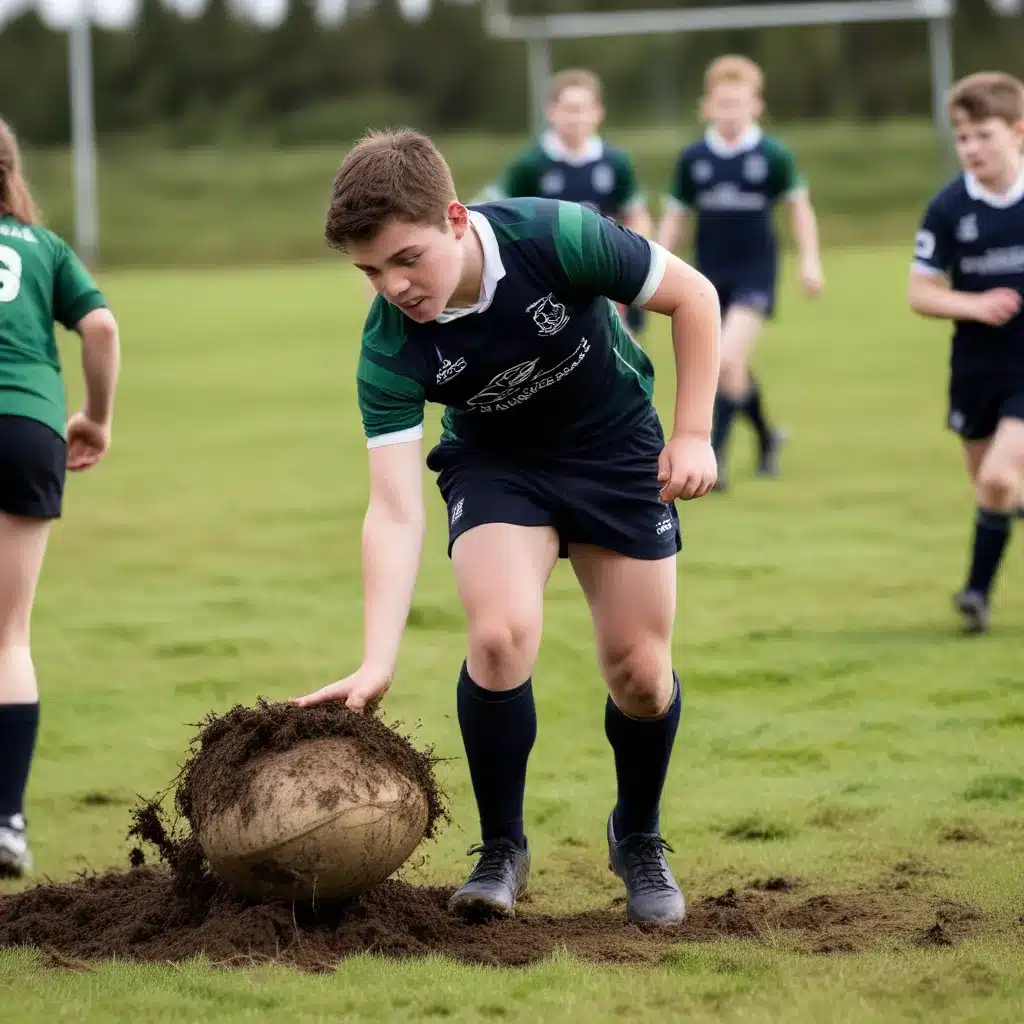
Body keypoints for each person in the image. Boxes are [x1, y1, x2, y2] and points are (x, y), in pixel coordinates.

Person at [296, 129, 720, 925]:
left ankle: (637, 835)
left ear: (455, 219)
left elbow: (693, 296)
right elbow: (392, 507)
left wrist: (692, 433)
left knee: (640, 675)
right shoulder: (390, 346)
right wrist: (375, 659)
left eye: (406, 259)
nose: (392, 287)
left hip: (615, 450)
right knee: (499, 636)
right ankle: (500, 850)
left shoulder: (558, 235)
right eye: (370, 272)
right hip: (497, 465)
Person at [0, 119, 120, 877]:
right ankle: (6, 822)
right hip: (26, 428)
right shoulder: (41, 248)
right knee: (8, 635)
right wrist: (96, 418)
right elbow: (100, 326)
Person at [657, 55, 824, 490]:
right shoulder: (694, 158)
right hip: (706, 278)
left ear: (756, 105)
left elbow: (798, 208)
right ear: (707, 107)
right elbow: (675, 217)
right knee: (732, 369)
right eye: (723, 103)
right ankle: (768, 437)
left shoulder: (772, 154)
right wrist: (653, 261)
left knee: (725, 360)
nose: (731, 112)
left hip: (756, 275)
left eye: (739, 103)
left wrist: (810, 260)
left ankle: (717, 459)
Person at [909, 72, 1024, 634]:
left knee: (1001, 479)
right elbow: (920, 293)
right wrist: (976, 305)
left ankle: (975, 595)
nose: (972, 148)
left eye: (985, 135)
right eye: (963, 137)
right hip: (977, 368)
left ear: (1018, 132)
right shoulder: (950, 207)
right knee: (992, 488)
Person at [481, 68, 653, 338]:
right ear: (552, 112)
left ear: (598, 112)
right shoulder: (531, 165)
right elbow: (492, 214)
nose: (576, 118)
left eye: (583, 109)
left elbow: (637, 215)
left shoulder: (615, 162)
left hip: (602, 275)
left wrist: (632, 261)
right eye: (569, 109)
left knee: (622, 350)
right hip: (548, 280)